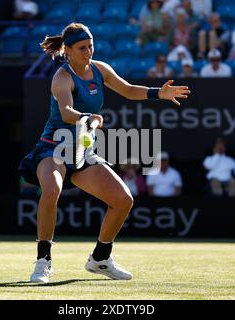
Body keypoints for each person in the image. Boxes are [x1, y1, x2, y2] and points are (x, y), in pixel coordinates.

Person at [18, 23, 191, 283]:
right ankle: (43, 260)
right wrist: (89, 119)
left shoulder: (100, 69)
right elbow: (66, 112)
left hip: (81, 151)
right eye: (82, 48)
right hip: (53, 147)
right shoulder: (62, 78)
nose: (88, 52)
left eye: (91, 46)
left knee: (124, 200)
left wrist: (159, 93)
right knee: (51, 190)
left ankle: (100, 258)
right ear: (67, 50)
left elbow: (129, 90)